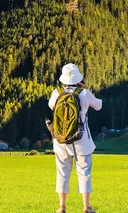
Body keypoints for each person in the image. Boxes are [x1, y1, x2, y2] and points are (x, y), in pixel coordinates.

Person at [49, 63, 102, 213]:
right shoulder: (83, 93)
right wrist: (85, 89)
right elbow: (98, 106)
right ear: (78, 78)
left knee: (62, 173)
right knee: (84, 172)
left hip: (61, 140)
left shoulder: (56, 93)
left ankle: (62, 207)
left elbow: (51, 106)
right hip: (81, 140)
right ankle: (86, 207)